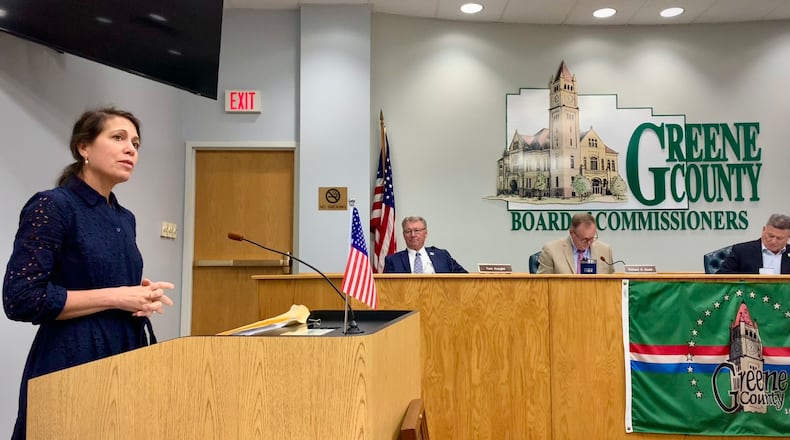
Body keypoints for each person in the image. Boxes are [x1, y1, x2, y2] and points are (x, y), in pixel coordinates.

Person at [2, 107, 175, 440]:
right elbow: (22, 298)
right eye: (118, 138)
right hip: (72, 359)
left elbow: (98, 280)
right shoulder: (53, 206)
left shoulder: (124, 217)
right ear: (84, 147)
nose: (130, 149)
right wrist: (117, 296)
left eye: (136, 143)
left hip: (125, 353)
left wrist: (140, 294)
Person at [383, 216, 467, 273]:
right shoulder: (393, 260)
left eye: (417, 230)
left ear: (425, 233)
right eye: (408, 231)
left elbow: (465, 277)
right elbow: (388, 287)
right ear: (404, 235)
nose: (413, 235)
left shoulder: (442, 256)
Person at [537, 212, 614, 274]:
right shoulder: (551, 251)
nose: (589, 243)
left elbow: (612, 283)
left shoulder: (605, 250)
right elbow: (542, 284)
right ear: (572, 233)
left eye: (592, 238)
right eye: (585, 240)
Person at [716, 214, 790, 274]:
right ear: (764, 230)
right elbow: (722, 277)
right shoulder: (741, 251)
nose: (773, 241)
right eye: (770, 236)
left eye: (779, 238)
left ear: (788, 237)